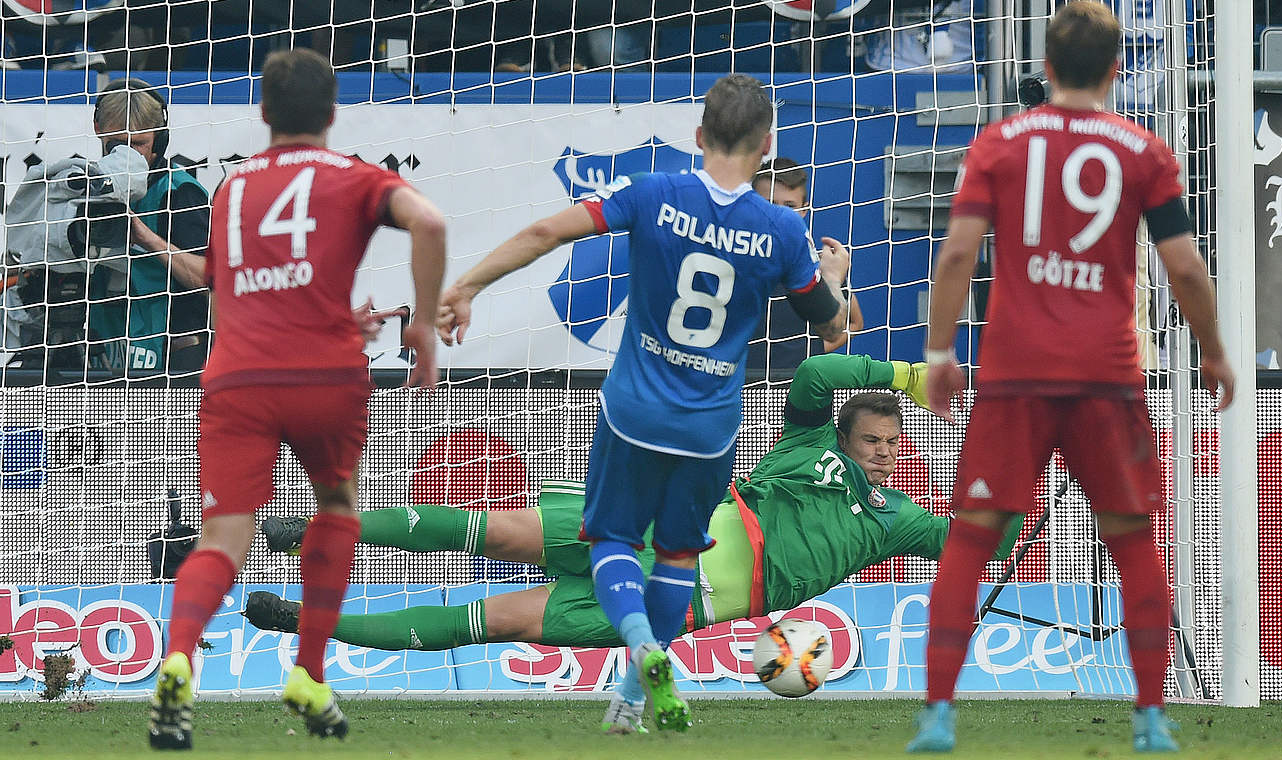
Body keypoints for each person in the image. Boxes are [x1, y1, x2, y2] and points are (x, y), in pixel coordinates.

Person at [244, 352, 1022, 733]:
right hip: (653, 527)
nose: (885, 451)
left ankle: (299, 620)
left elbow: (978, 543)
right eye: (874, 438)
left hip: (677, 608)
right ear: (847, 435)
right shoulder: (803, 446)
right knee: (490, 527)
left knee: (494, 620)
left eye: (894, 442)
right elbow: (817, 373)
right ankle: (299, 531)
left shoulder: (896, 518)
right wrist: (904, 372)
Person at [438, 74, 848, 731]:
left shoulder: (655, 192)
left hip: (634, 411)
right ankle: (631, 697)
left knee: (612, 540)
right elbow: (830, 331)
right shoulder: (777, 231)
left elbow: (548, 229)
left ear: (698, 136)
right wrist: (831, 283)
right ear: (766, 142)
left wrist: (467, 285)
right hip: (712, 428)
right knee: (681, 558)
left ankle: (643, 648)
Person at [908, 2, 1234, 753]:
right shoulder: (1143, 150)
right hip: (1107, 378)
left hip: (1017, 374)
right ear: (1118, 70)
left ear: (1047, 67)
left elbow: (957, 255)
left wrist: (938, 352)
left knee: (969, 539)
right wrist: (1213, 349)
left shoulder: (1000, 142)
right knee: (1133, 542)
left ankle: (937, 715)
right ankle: (1151, 721)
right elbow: (1182, 265)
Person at [147, 49, 446, 750]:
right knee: (338, 506)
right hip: (324, 379)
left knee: (224, 535)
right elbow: (429, 223)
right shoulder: (352, 176)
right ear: (333, 113)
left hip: (238, 379)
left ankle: (180, 657)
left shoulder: (233, 191)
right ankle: (309, 674)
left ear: (264, 113)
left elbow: (221, 287)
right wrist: (423, 326)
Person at [88, 78, 212, 374]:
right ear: (98, 131)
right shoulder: (88, 186)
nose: (127, 154)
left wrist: (146, 239)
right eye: (116, 144)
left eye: (139, 144)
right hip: (108, 347)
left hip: (175, 355)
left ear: (160, 140)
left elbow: (212, 280)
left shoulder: (181, 192)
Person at [747, 157, 865, 371]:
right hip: (738, 385)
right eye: (769, 204)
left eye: (789, 206)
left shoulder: (817, 265)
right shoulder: (731, 254)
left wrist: (812, 351)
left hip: (796, 386)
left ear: (804, 209)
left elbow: (854, 322)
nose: (779, 214)